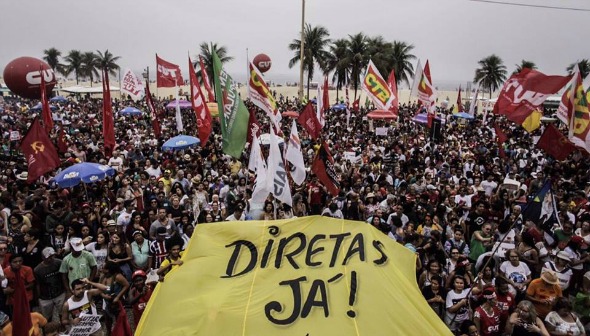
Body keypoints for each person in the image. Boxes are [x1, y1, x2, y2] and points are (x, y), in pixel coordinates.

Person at [34, 247, 65, 323]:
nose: (51, 259)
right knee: (47, 317)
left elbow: (64, 276)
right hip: (45, 296)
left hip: (59, 293)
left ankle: (63, 327)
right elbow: (37, 284)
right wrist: (38, 297)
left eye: (52, 256)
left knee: (63, 313)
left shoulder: (59, 263)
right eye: (48, 257)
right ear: (43, 258)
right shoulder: (37, 270)